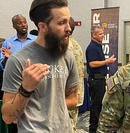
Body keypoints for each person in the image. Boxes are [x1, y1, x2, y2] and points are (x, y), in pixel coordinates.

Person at [1, 0, 79, 132]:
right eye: (61, 23)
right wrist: (26, 89)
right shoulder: (17, 60)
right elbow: (8, 117)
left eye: (68, 21)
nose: (69, 28)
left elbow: (73, 98)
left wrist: (49, 110)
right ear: (43, 27)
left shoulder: (68, 56)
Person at [0, 14, 36, 133]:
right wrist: (7, 59)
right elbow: (3, 66)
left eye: (24, 22)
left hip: (33, 86)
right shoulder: (8, 43)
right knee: (14, 121)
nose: (23, 25)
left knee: (32, 116)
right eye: (19, 23)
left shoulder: (36, 41)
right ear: (14, 26)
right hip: (14, 87)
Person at [86, 26, 116, 133]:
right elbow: (92, 64)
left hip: (100, 80)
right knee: (96, 105)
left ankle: (98, 126)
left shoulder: (98, 46)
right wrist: (107, 61)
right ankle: (93, 129)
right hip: (96, 80)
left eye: (103, 33)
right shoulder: (92, 47)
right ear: (93, 35)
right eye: (100, 34)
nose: (102, 35)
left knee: (99, 105)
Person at [68, 17, 85, 133]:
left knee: (67, 125)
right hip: (77, 93)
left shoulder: (64, 46)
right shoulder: (76, 45)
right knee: (73, 123)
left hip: (67, 95)